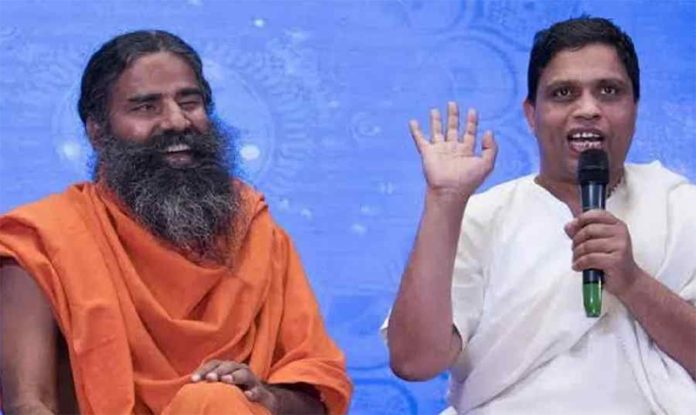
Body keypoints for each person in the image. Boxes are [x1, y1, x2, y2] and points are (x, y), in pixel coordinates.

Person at [0, 30, 352, 414]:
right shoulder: (43, 241)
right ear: (97, 132)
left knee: (214, 398)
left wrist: (264, 396)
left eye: (189, 102)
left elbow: (316, 400)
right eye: (145, 107)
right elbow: (26, 404)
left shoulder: (258, 235)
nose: (175, 121)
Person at [383, 16, 696, 414]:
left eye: (609, 91)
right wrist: (443, 201)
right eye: (564, 93)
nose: (588, 109)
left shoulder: (682, 209)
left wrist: (633, 282)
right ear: (531, 114)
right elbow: (414, 363)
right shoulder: (481, 218)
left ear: (634, 107)